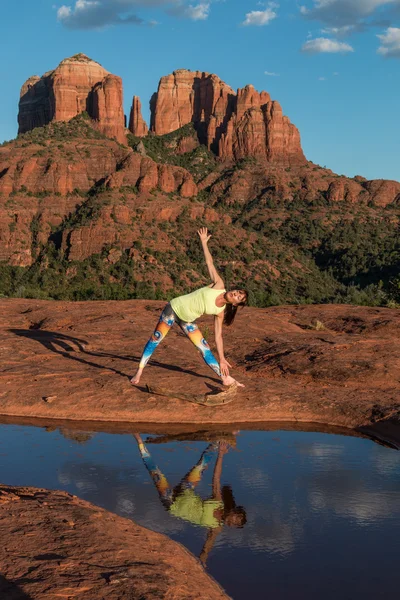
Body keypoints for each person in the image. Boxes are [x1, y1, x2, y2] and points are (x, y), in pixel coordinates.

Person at [130, 227, 248, 387]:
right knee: (156, 338)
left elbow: (218, 336)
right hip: (173, 309)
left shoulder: (220, 312)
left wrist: (222, 358)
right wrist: (204, 242)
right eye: (238, 292)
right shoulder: (219, 285)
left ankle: (225, 378)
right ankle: (139, 371)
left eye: (239, 297)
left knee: (204, 348)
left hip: (188, 320)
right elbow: (209, 263)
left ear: (235, 304)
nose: (236, 294)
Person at [133, 433, 247, 566]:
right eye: (235, 518)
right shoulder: (218, 501)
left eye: (234, 524)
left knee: (155, 472)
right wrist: (221, 455)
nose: (232, 522)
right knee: (202, 465)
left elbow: (208, 544)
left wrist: (203, 558)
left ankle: (139, 441)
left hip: (171, 502)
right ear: (233, 511)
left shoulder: (216, 528)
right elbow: (216, 478)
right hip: (186, 490)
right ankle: (220, 438)